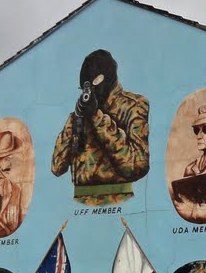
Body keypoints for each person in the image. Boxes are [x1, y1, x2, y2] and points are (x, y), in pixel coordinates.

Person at [52, 50, 150, 205]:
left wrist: (97, 117)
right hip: (81, 203)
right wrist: (75, 119)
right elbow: (57, 167)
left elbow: (136, 166)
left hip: (118, 199)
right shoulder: (80, 113)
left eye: (95, 82)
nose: (91, 90)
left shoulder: (133, 106)